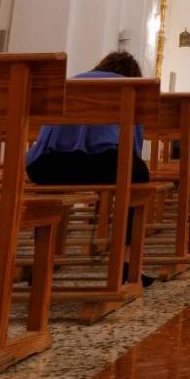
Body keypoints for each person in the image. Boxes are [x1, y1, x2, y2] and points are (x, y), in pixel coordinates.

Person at [25, 50, 153, 285]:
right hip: (102, 163)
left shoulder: (71, 82)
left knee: (49, 190)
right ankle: (126, 262)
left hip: (46, 164)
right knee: (139, 176)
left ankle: (42, 260)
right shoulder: (129, 87)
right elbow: (133, 145)